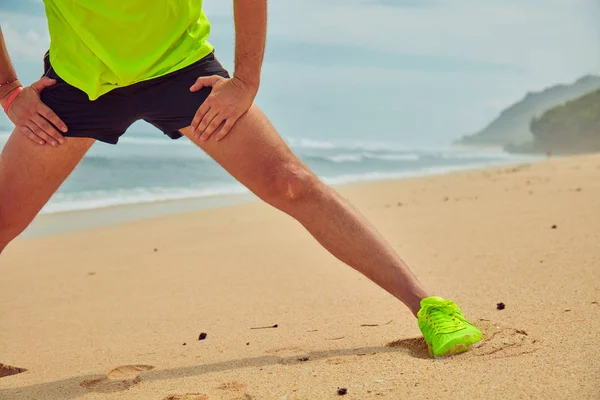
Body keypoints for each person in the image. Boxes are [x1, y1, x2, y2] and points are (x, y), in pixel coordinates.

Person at [0, 0, 482, 358]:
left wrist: (246, 80)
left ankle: (429, 307)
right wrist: (8, 90)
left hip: (181, 73)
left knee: (292, 182)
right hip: (80, 87)